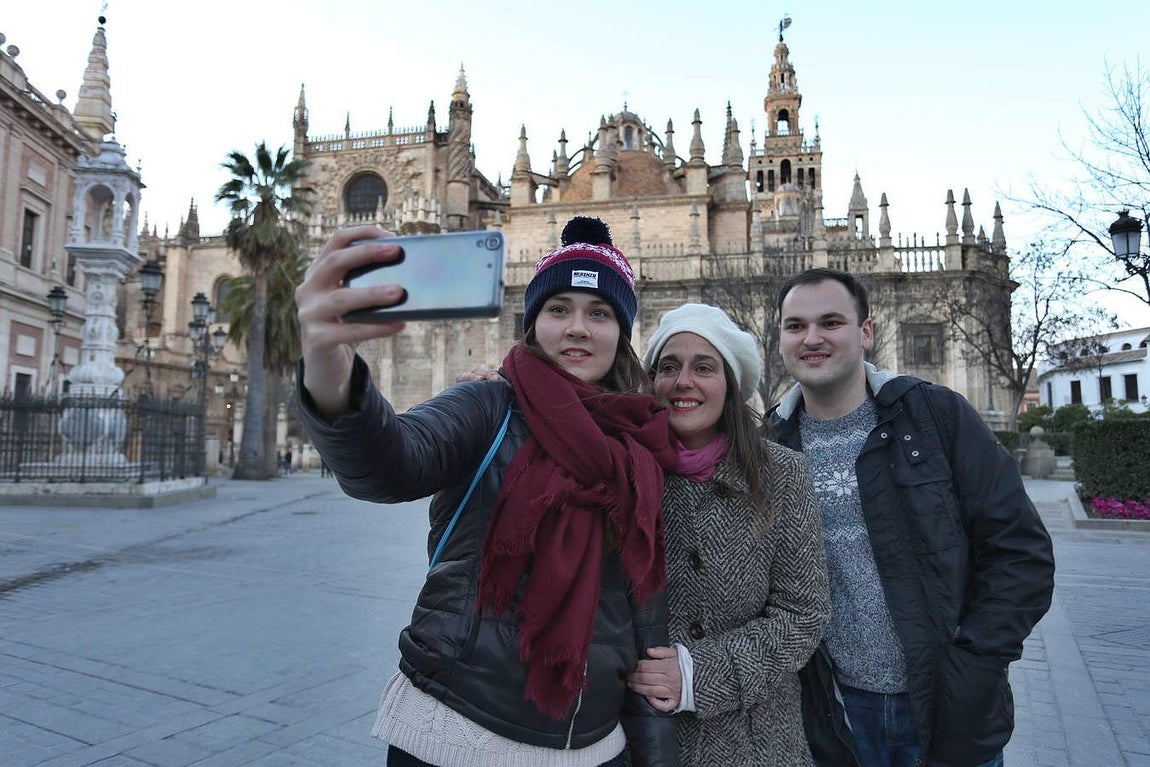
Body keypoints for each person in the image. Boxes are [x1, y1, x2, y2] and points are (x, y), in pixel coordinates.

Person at [294, 216, 681, 767]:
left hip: (595, 746)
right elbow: (388, 465)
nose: (577, 327)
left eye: (599, 312)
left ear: (622, 332)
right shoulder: (488, 406)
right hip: (454, 737)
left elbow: (643, 611)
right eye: (558, 309)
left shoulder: (641, 445)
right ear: (531, 323)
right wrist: (327, 363)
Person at [768, 268, 1056, 767]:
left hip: (945, 707)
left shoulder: (935, 416)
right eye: (795, 326)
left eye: (830, 322)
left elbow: (1020, 551)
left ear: (866, 333)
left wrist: (974, 665)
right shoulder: (769, 445)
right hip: (834, 715)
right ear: (780, 341)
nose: (811, 338)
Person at [624, 304, 830, 767]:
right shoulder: (624, 471)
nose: (683, 382)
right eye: (669, 367)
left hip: (755, 743)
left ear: (731, 385)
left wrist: (699, 675)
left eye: (704, 367)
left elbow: (804, 614)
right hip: (637, 739)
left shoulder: (783, 475)